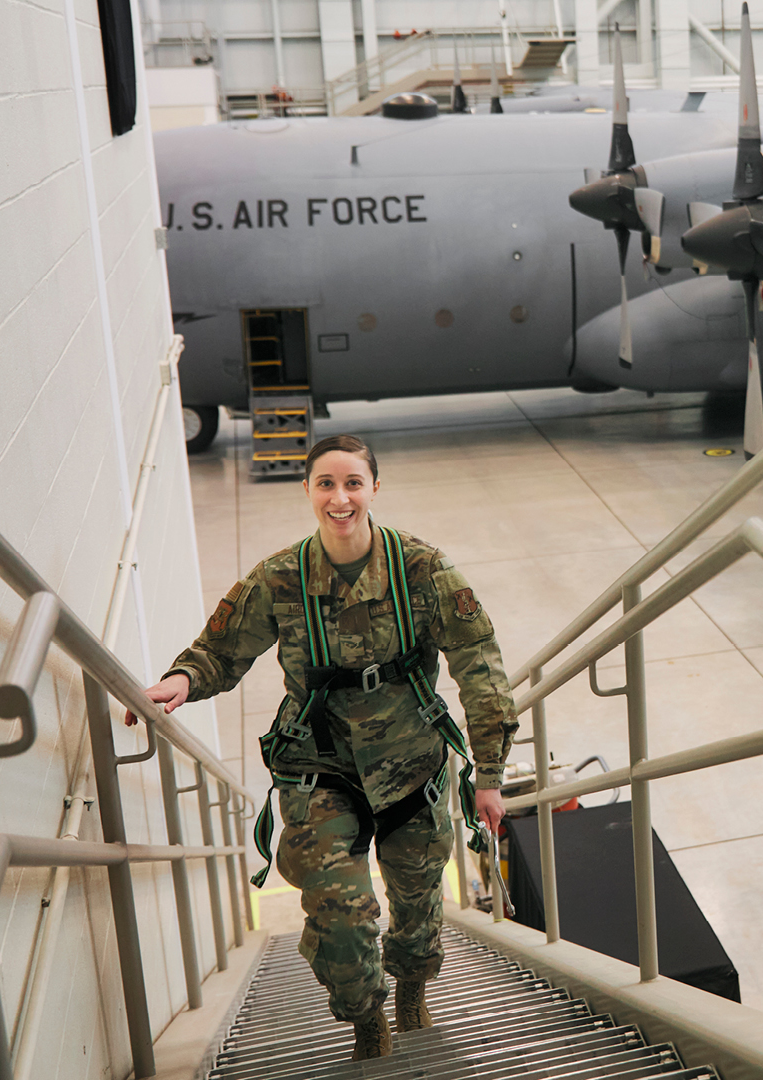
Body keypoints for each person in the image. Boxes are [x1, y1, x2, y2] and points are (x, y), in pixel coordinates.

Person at [136, 434, 516, 1060]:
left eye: (353, 483)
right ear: (308, 490)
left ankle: (413, 986)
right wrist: (182, 679)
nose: (340, 498)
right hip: (321, 768)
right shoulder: (279, 579)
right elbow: (219, 651)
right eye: (325, 484)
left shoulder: (422, 569)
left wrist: (490, 775)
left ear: (372, 487)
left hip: (412, 766)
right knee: (339, 913)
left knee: (418, 907)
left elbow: (481, 665)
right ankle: (366, 1015)